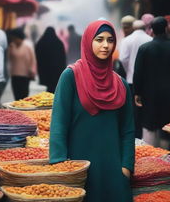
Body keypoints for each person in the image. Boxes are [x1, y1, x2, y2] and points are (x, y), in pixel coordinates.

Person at [50, 20, 135, 202]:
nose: (105, 45)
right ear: (88, 41)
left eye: (110, 40)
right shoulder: (71, 76)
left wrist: (126, 167)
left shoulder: (120, 84)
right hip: (78, 167)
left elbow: (128, 130)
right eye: (99, 39)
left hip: (113, 168)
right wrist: (60, 166)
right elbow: (59, 123)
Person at [133, 17, 170, 149]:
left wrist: (137, 92)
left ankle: (150, 157)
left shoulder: (144, 48)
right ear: (166, 29)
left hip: (149, 93)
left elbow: (138, 72)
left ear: (152, 30)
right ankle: (165, 156)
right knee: (167, 127)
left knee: (150, 125)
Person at [119, 20, 152, 138]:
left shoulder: (126, 40)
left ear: (133, 28)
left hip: (131, 79)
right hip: (147, 81)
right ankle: (145, 135)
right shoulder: (150, 40)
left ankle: (135, 135)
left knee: (133, 110)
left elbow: (122, 58)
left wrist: (129, 70)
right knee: (145, 108)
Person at [8, 27, 36, 100]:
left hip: (25, 76)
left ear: (19, 37)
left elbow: (33, 60)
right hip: (14, 75)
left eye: (14, 38)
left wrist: (32, 71)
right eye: (12, 38)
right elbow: (9, 59)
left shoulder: (27, 46)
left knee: (24, 96)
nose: (13, 40)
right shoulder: (11, 46)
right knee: (16, 96)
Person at [35, 26, 66, 93]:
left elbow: (37, 56)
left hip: (44, 71)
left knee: (47, 88)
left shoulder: (40, 43)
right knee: (54, 87)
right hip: (56, 71)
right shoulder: (59, 43)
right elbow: (63, 58)